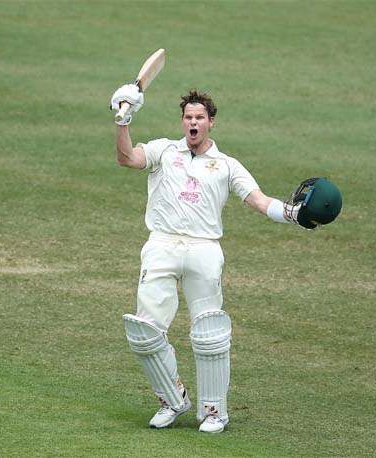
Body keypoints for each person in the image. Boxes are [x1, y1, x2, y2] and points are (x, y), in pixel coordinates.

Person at [110, 84, 341, 433]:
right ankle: (171, 401)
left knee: (209, 333)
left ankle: (214, 411)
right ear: (182, 121)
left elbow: (260, 201)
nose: (193, 122)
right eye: (188, 117)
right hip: (161, 245)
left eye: (199, 117)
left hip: (204, 249)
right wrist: (122, 118)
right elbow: (128, 158)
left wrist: (292, 214)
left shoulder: (227, 166)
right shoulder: (162, 150)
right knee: (144, 332)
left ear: (211, 123)